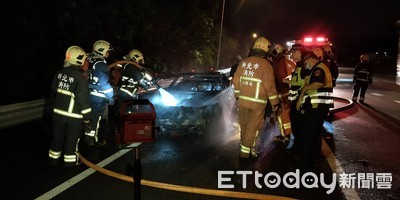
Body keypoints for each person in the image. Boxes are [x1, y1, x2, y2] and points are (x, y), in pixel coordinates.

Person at [232, 36, 280, 160]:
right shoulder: (266, 65)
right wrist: (275, 102)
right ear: (265, 49)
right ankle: (244, 153)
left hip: (242, 102)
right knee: (253, 128)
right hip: (257, 104)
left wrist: (238, 96)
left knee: (244, 125)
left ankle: (248, 149)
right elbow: (270, 87)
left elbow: (235, 82)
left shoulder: (244, 62)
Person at [48, 46, 92, 167]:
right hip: (74, 118)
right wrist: (87, 117)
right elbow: (83, 99)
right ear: (79, 60)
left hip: (57, 115)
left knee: (57, 138)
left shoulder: (59, 73)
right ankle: (69, 163)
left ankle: (53, 160)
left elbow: (54, 90)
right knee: (71, 140)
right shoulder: (79, 77)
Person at [296, 51, 334, 171]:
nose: (305, 65)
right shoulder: (321, 67)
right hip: (320, 108)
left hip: (315, 108)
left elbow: (317, 84)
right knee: (316, 136)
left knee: (308, 135)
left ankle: (303, 165)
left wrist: (303, 91)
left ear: (310, 59)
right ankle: (314, 161)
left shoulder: (319, 69)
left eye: (306, 62)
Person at [85, 40, 115, 146]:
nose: (108, 53)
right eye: (108, 51)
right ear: (102, 51)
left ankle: (88, 140)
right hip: (97, 98)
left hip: (89, 95)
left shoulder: (91, 60)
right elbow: (104, 84)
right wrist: (111, 97)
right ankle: (93, 142)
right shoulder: (101, 64)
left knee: (89, 118)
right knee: (95, 120)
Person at [114, 49, 154, 115]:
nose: (138, 62)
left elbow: (135, 79)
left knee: (125, 112)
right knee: (125, 113)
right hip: (126, 94)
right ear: (135, 58)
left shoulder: (131, 66)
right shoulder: (130, 66)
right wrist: (143, 72)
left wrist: (145, 84)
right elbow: (138, 76)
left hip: (126, 93)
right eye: (139, 60)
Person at [271, 43, 296, 145]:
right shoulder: (290, 63)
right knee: (287, 115)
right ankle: (286, 134)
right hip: (291, 93)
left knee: (282, 116)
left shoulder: (279, 64)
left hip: (283, 94)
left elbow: (280, 80)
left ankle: (285, 135)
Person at [287, 44, 310, 151]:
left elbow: (307, 85)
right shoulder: (299, 65)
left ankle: (299, 151)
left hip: (299, 104)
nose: (291, 55)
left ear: (298, 52)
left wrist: (300, 102)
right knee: (296, 127)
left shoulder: (304, 67)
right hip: (296, 103)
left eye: (292, 53)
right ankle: (298, 147)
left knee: (299, 127)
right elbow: (298, 82)